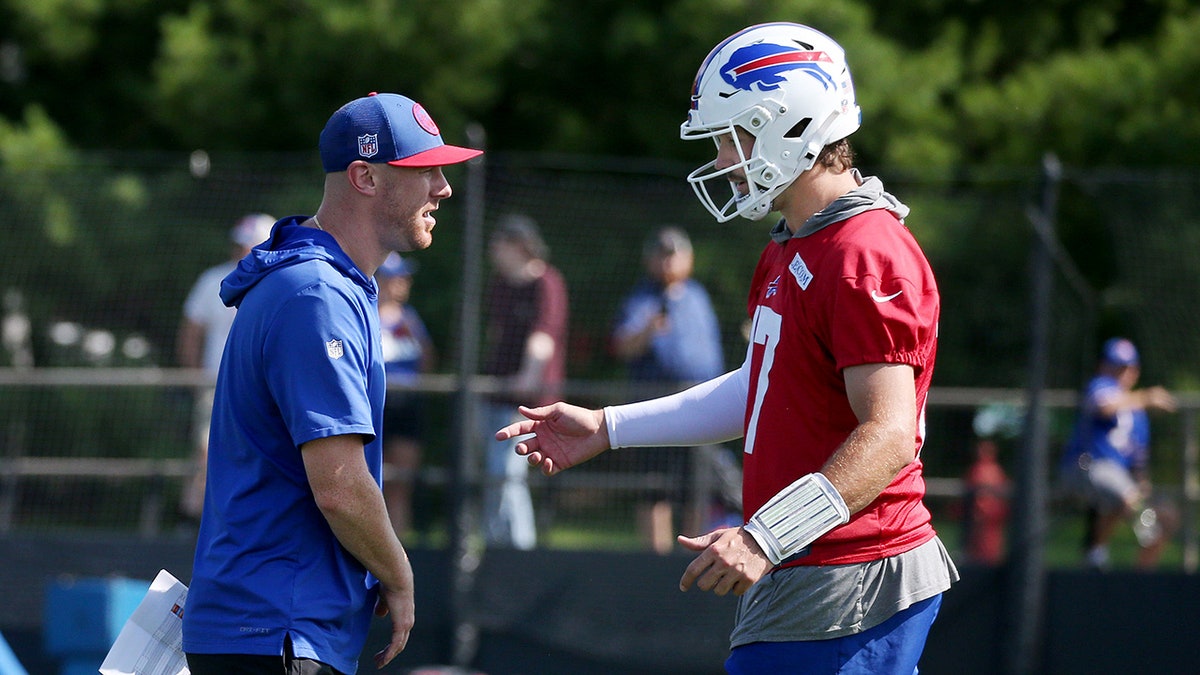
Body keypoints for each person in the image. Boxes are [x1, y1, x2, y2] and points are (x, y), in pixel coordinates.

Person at [496, 22, 958, 674]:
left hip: (850, 572)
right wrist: (608, 426)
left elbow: (888, 435)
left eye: (728, 137)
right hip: (809, 565)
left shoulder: (865, 253)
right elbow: (761, 390)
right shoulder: (792, 244)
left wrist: (767, 534)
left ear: (788, 125)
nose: (720, 161)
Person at [182, 91, 481, 674]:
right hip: (277, 628)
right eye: (424, 169)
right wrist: (399, 574)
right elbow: (339, 486)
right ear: (365, 177)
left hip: (269, 627)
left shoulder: (320, 284)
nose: (443, 187)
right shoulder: (316, 295)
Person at [611, 226, 734, 553]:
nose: (669, 261)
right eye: (662, 254)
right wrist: (648, 329)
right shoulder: (641, 298)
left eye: (675, 253)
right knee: (656, 488)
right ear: (650, 259)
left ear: (688, 258)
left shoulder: (698, 294)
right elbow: (622, 346)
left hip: (703, 405)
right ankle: (657, 561)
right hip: (657, 405)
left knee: (698, 487)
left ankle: (691, 556)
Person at [175, 212, 275, 522]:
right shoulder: (211, 280)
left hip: (262, 391)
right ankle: (192, 525)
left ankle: (236, 525)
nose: (242, 251)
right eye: (240, 244)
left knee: (257, 460)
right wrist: (196, 380)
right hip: (216, 385)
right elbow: (190, 333)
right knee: (207, 454)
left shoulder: (279, 282)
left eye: (249, 244)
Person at [479, 213, 568, 550]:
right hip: (494, 394)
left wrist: (527, 380)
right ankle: (492, 546)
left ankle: (519, 551)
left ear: (519, 246)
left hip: (528, 402)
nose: (494, 252)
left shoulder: (547, 282)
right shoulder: (500, 285)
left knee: (508, 474)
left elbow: (542, 338)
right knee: (490, 475)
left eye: (499, 245)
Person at [1058, 337, 1178, 570]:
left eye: (1128, 368)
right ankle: (1097, 554)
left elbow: (1138, 462)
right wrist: (1146, 397)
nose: (1122, 373)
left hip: (1119, 480)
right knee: (1124, 494)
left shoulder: (1139, 417)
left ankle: (1139, 573)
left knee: (1166, 516)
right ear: (1104, 366)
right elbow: (1104, 406)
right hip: (1085, 466)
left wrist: (1143, 485)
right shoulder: (1101, 385)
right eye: (1117, 366)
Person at [377, 252, 436, 539]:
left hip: (407, 407)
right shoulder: (362, 314)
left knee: (400, 484)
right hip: (374, 407)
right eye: (396, 277)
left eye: (405, 277)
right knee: (369, 483)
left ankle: (398, 551)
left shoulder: (410, 319)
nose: (403, 283)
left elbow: (427, 358)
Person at [961, 437, 1010, 565]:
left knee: (991, 550)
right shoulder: (976, 470)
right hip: (977, 520)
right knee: (975, 550)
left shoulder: (996, 470)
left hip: (993, 521)